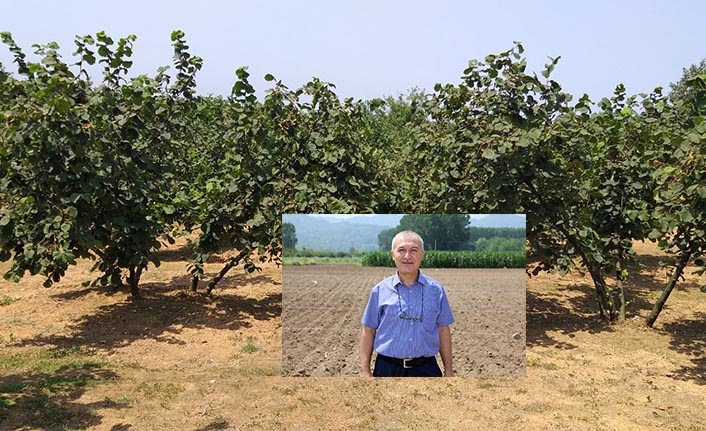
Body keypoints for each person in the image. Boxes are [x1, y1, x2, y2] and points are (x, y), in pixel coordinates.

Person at [360, 230, 454, 377]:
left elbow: (443, 330)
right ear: (393, 254)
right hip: (387, 369)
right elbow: (368, 330)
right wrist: (365, 370)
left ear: (422, 255)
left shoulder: (436, 290)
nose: (407, 256)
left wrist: (449, 370)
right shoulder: (379, 291)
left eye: (414, 250)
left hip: (426, 369)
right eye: (401, 250)